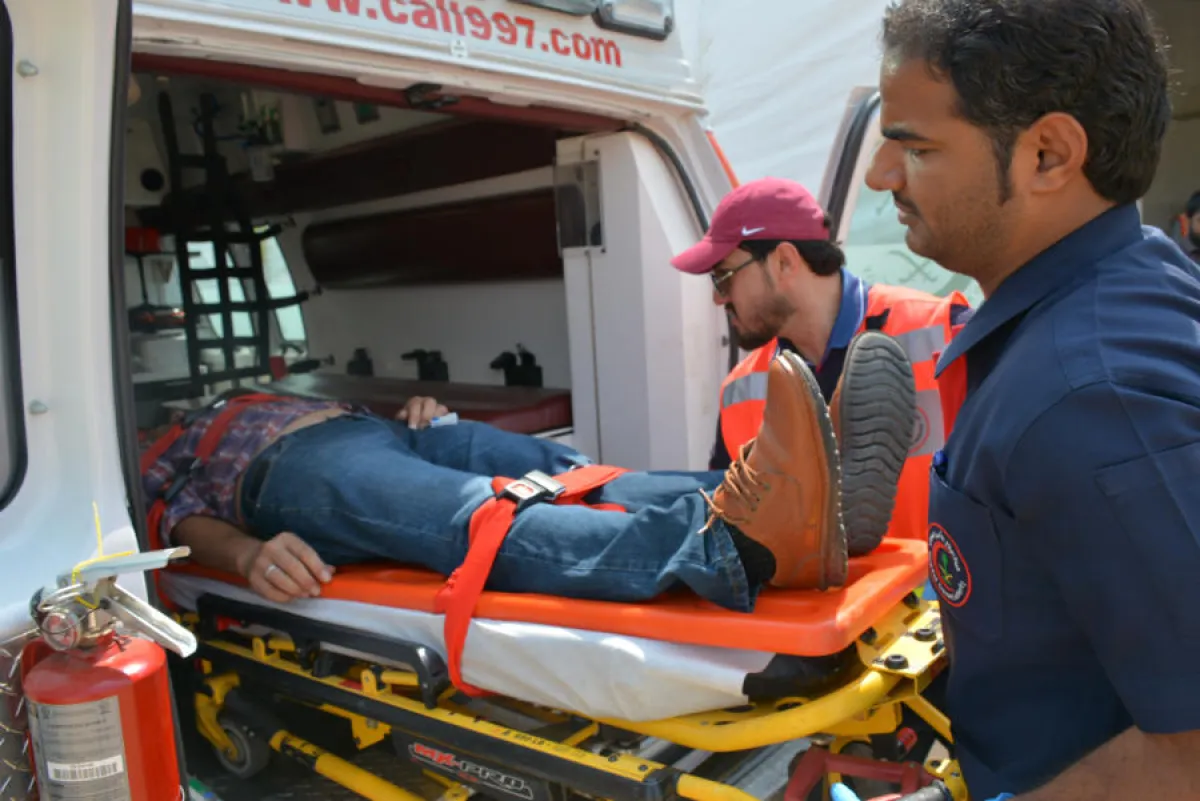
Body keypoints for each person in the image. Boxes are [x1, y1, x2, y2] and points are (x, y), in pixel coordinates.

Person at [837, 0, 1200, 799]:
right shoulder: (1130, 275)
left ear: (1048, 155)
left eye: (917, 148)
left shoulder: (1089, 399)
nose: (880, 175)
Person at [141, 341, 916, 612]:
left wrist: (412, 414)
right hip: (293, 475)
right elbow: (170, 519)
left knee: (581, 476)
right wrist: (244, 553)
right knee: (473, 514)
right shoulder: (152, 449)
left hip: (380, 433)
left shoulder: (243, 399)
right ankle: (739, 548)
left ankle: (814, 500)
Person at [669, 177, 972, 556]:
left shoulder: (946, 332)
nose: (718, 298)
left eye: (723, 277)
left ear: (784, 261)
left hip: (938, 591)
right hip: (815, 596)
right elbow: (729, 528)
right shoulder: (739, 390)